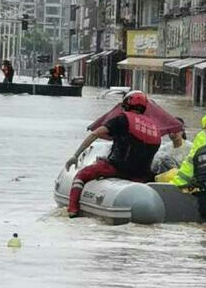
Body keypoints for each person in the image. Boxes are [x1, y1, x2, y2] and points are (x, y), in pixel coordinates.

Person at [64, 90, 161, 218]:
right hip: (142, 175)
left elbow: (95, 134)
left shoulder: (122, 119)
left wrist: (76, 155)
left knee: (81, 175)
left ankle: (72, 210)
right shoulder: (154, 127)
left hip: (117, 168)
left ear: (127, 103)